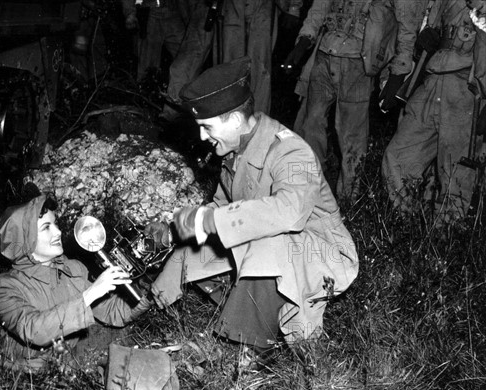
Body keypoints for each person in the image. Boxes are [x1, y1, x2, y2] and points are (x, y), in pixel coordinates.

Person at [147, 56, 359, 364]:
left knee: (261, 242)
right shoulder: (237, 148)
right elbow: (223, 207)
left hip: (322, 252)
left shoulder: (291, 150)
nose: (203, 137)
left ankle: (247, 349)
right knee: (192, 249)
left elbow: (289, 213)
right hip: (282, 244)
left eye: (207, 127)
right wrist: (179, 228)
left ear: (234, 120)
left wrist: (210, 220)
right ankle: (154, 302)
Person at [0, 194, 149, 373]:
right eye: (46, 227)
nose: (58, 232)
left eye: (55, 224)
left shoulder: (71, 269)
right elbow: (34, 331)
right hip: (27, 378)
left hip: (67, 361)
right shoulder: (2, 287)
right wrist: (91, 293)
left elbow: (112, 313)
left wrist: (151, 286)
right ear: (25, 239)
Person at [285, 0, 420, 200]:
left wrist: (397, 75)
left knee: (352, 138)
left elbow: (406, 28)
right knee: (310, 125)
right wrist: (304, 40)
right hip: (325, 55)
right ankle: (306, 191)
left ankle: (349, 201)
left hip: (358, 63)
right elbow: (319, 9)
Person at [381, 0, 486, 223]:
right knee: (397, 157)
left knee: (456, 175)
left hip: (468, 88)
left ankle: (444, 244)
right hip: (433, 77)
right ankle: (404, 229)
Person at [121, 0, 186, 82]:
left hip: (173, 14)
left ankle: (183, 90)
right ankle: (146, 89)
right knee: (148, 63)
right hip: (151, 14)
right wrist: (130, 13)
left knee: (186, 54)